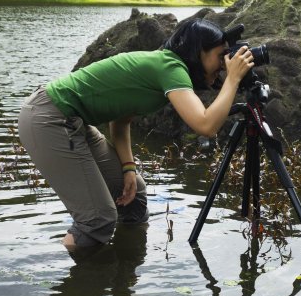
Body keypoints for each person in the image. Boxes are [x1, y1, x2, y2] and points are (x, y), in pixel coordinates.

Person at [18, 18, 255, 252]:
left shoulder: (164, 66)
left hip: (71, 120)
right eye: (220, 56)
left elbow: (120, 122)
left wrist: (128, 168)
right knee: (98, 220)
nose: (225, 64)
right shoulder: (170, 67)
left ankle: (124, 275)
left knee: (135, 197)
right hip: (50, 117)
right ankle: (81, 282)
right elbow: (206, 125)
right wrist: (233, 79)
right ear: (198, 52)